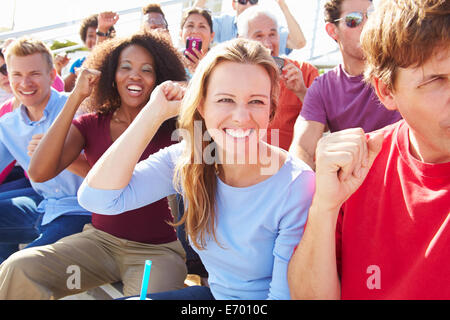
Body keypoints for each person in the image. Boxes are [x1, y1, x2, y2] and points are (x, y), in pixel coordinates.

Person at [77, 38, 315, 300]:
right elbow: (98, 199)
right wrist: (153, 114)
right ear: (201, 104)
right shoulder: (188, 159)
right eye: (225, 99)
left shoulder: (296, 184)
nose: (240, 116)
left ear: (271, 109)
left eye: (256, 101)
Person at [0, 32, 188, 299]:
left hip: (157, 252)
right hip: (99, 243)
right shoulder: (91, 123)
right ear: (112, 74)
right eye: (125, 68)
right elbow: (40, 171)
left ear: (159, 78)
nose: (135, 75)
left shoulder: (175, 124)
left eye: (147, 70)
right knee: (19, 268)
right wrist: (76, 97)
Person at [288, 0, 450, 300]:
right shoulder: (352, 174)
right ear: (386, 91)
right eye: (436, 80)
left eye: (368, 15)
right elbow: (303, 143)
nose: (362, 23)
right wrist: (323, 205)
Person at [0, 38, 91, 264]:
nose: (25, 83)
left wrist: (57, 153)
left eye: (34, 74)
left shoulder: (80, 108)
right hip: (45, 204)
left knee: (20, 268)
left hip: (82, 211)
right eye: (17, 75)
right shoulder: (8, 124)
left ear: (52, 76)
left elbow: (105, 173)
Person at [289, 0, 402, 170]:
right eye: (354, 20)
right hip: (355, 187)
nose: (367, 26)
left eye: (371, 16)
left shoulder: (402, 69)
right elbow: (301, 149)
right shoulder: (323, 88)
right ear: (332, 30)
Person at [237, 6, 318, 151]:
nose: (267, 43)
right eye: (259, 36)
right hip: (244, 163)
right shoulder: (231, 75)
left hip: (291, 165)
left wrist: (301, 91)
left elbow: (325, 126)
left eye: (272, 34)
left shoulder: (304, 72)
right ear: (242, 40)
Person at [194, 0, 306, 56]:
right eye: (243, 0)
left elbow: (299, 43)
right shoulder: (224, 23)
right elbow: (193, 22)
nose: (248, 5)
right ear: (234, 4)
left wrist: (283, 5)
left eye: (253, 0)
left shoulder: (269, 28)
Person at [180, 7, 215, 78]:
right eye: (190, 25)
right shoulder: (172, 60)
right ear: (181, 34)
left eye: (202, 26)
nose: (195, 31)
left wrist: (202, 71)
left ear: (212, 36)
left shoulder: (219, 63)